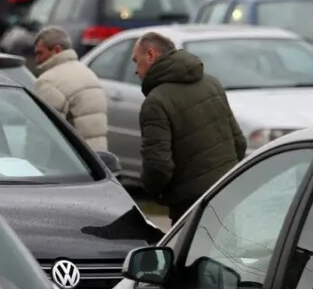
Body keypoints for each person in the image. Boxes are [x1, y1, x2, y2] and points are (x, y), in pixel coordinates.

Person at [132, 32, 245, 221]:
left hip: (189, 205)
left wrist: (155, 192)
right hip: (225, 193)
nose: (135, 71)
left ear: (151, 54)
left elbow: (158, 165)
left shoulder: (156, 102)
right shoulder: (212, 83)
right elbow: (239, 143)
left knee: (189, 242)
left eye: (136, 61)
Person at [33, 27, 108, 151]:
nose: (37, 60)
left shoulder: (48, 81)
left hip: (71, 159)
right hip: (96, 158)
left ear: (57, 50)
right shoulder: (89, 74)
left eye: (40, 53)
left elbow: (42, 134)